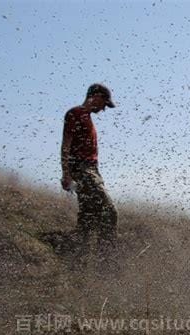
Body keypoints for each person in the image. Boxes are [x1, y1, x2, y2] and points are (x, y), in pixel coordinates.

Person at [60, 83, 118, 261]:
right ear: (96, 96)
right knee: (109, 211)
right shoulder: (75, 114)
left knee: (88, 216)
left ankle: (77, 260)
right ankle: (106, 260)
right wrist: (66, 174)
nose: (104, 109)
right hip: (83, 169)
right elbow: (66, 145)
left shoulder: (87, 118)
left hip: (92, 170)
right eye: (104, 103)